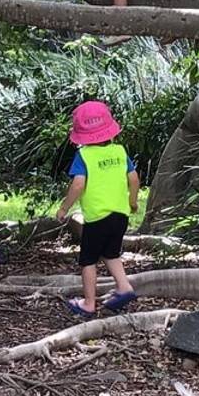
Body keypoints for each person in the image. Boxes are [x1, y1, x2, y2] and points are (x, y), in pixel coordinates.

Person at [56, 100, 140, 318]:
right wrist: (133, 201)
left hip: (97, 217)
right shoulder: (120, 152)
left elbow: (78, 184)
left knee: (88, 260)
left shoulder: (84, 156)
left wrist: (65, 207)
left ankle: (88, 303)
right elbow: (133, 178)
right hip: (120, 215)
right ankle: (124, 287)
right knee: (111, 253)